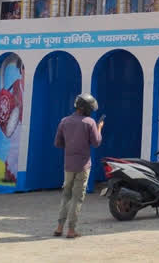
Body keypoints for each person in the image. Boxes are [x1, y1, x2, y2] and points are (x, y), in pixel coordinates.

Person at [52, 94, 103, 239]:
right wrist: (99, 128)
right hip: (83, 165)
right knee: (77, 197)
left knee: (66, 195)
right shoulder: (90, 122)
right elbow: (96, 142)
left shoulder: (64, 121)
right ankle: (71, 230)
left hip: (68, 165)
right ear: (86, 108)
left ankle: (59, 227)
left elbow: (58, 143)